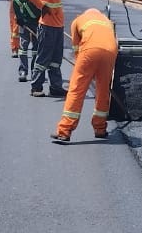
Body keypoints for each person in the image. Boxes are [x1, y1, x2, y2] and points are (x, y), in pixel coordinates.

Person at [50, 8, 119, 144]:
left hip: (89, 51)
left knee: (76, 89)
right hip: (111, 52)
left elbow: (77, 50)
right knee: (103, 90)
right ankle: (100, 128)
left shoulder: (78, 21)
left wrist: (84, 70)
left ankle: (64, 131)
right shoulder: (107, 21)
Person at [18, 0, 70, 97]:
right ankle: (36, 87)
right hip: (48, 26)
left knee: (55, 60)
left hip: (58, 25)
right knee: (43, 58)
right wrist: (42, 7)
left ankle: (55, 87)